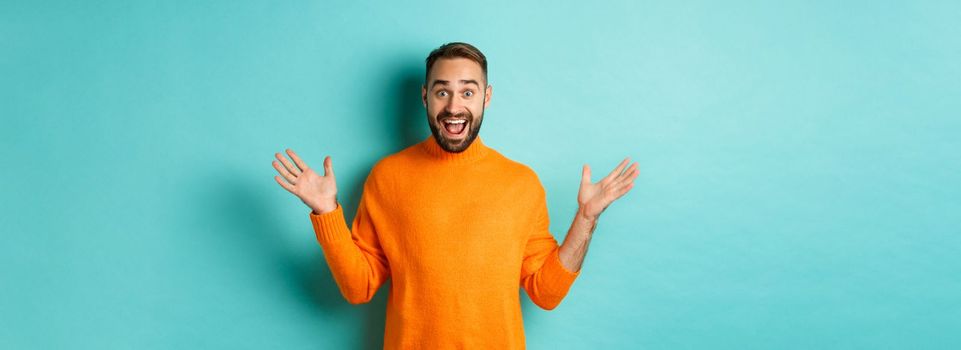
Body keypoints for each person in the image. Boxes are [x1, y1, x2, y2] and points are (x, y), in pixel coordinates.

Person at [271, 42, 639, 349]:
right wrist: (327, 211)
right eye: (442, 90)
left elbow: (547, 292)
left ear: (486, 97)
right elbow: (358, 287)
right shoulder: (387, 177)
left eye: (467, 91)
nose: (453, 106)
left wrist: (587, 218)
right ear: (425, 96)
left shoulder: (520, 183)